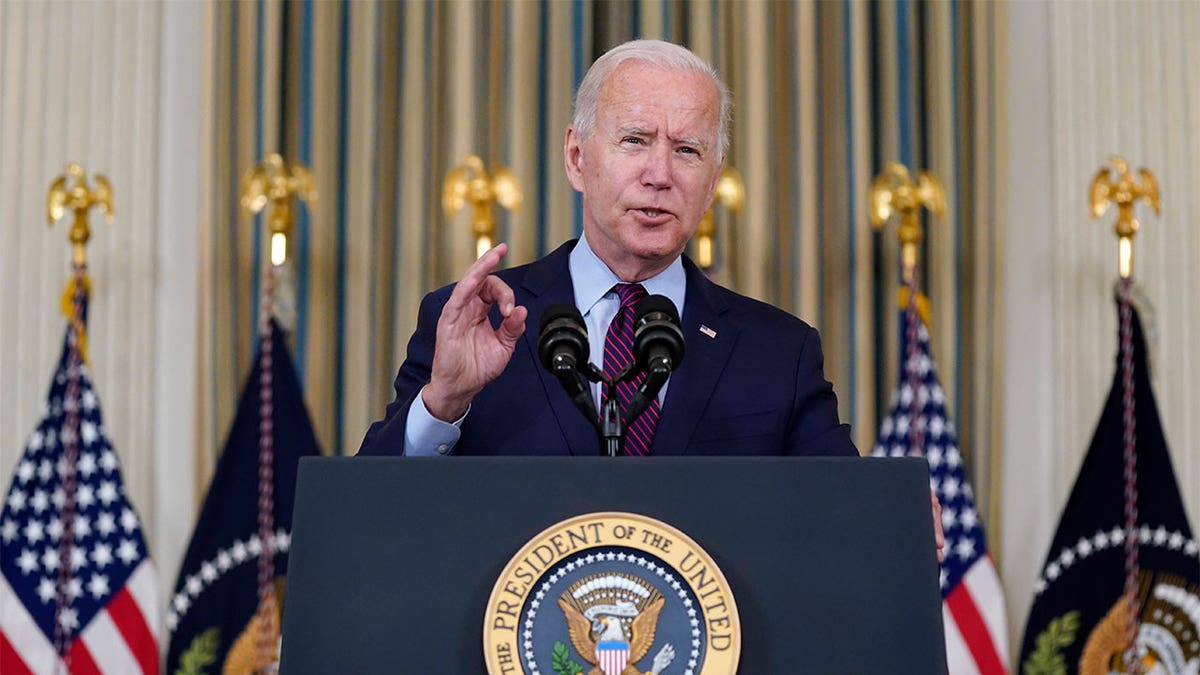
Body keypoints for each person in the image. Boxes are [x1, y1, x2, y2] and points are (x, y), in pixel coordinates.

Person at [359, 39, 857, 460]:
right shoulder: (477, 321)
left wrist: (886, 506)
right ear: (577, 159)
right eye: (635, 141)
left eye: (687, 150)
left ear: (712, 183)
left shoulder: (778, 350)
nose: (659, 176)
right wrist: (443, 403)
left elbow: (842, 509)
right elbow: (367, 511)